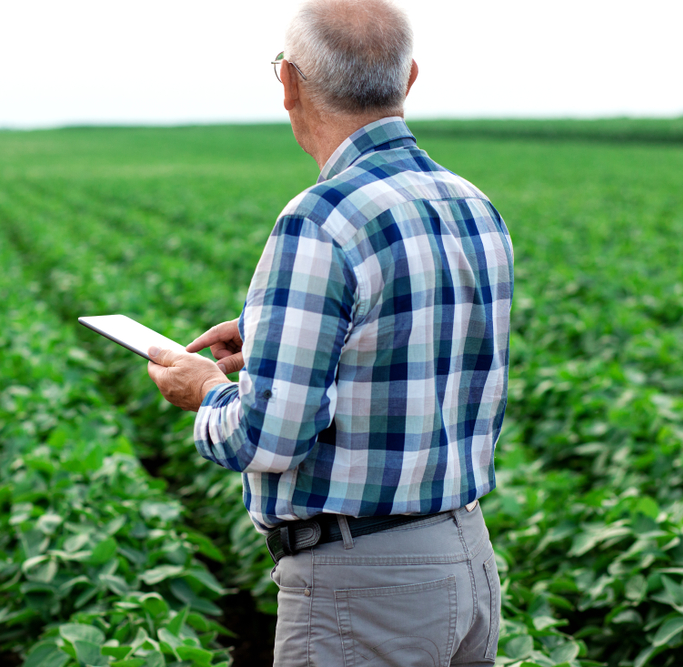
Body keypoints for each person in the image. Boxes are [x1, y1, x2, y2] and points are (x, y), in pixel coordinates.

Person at [147, 0, 512, 664]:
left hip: (364, 579)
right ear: (410, 80)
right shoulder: (471, 202)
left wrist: (205, 393)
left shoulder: (321, 217)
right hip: (468, 555)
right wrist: (271, 340)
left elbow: (272, 435)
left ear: (287, 82)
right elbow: (407, 347)